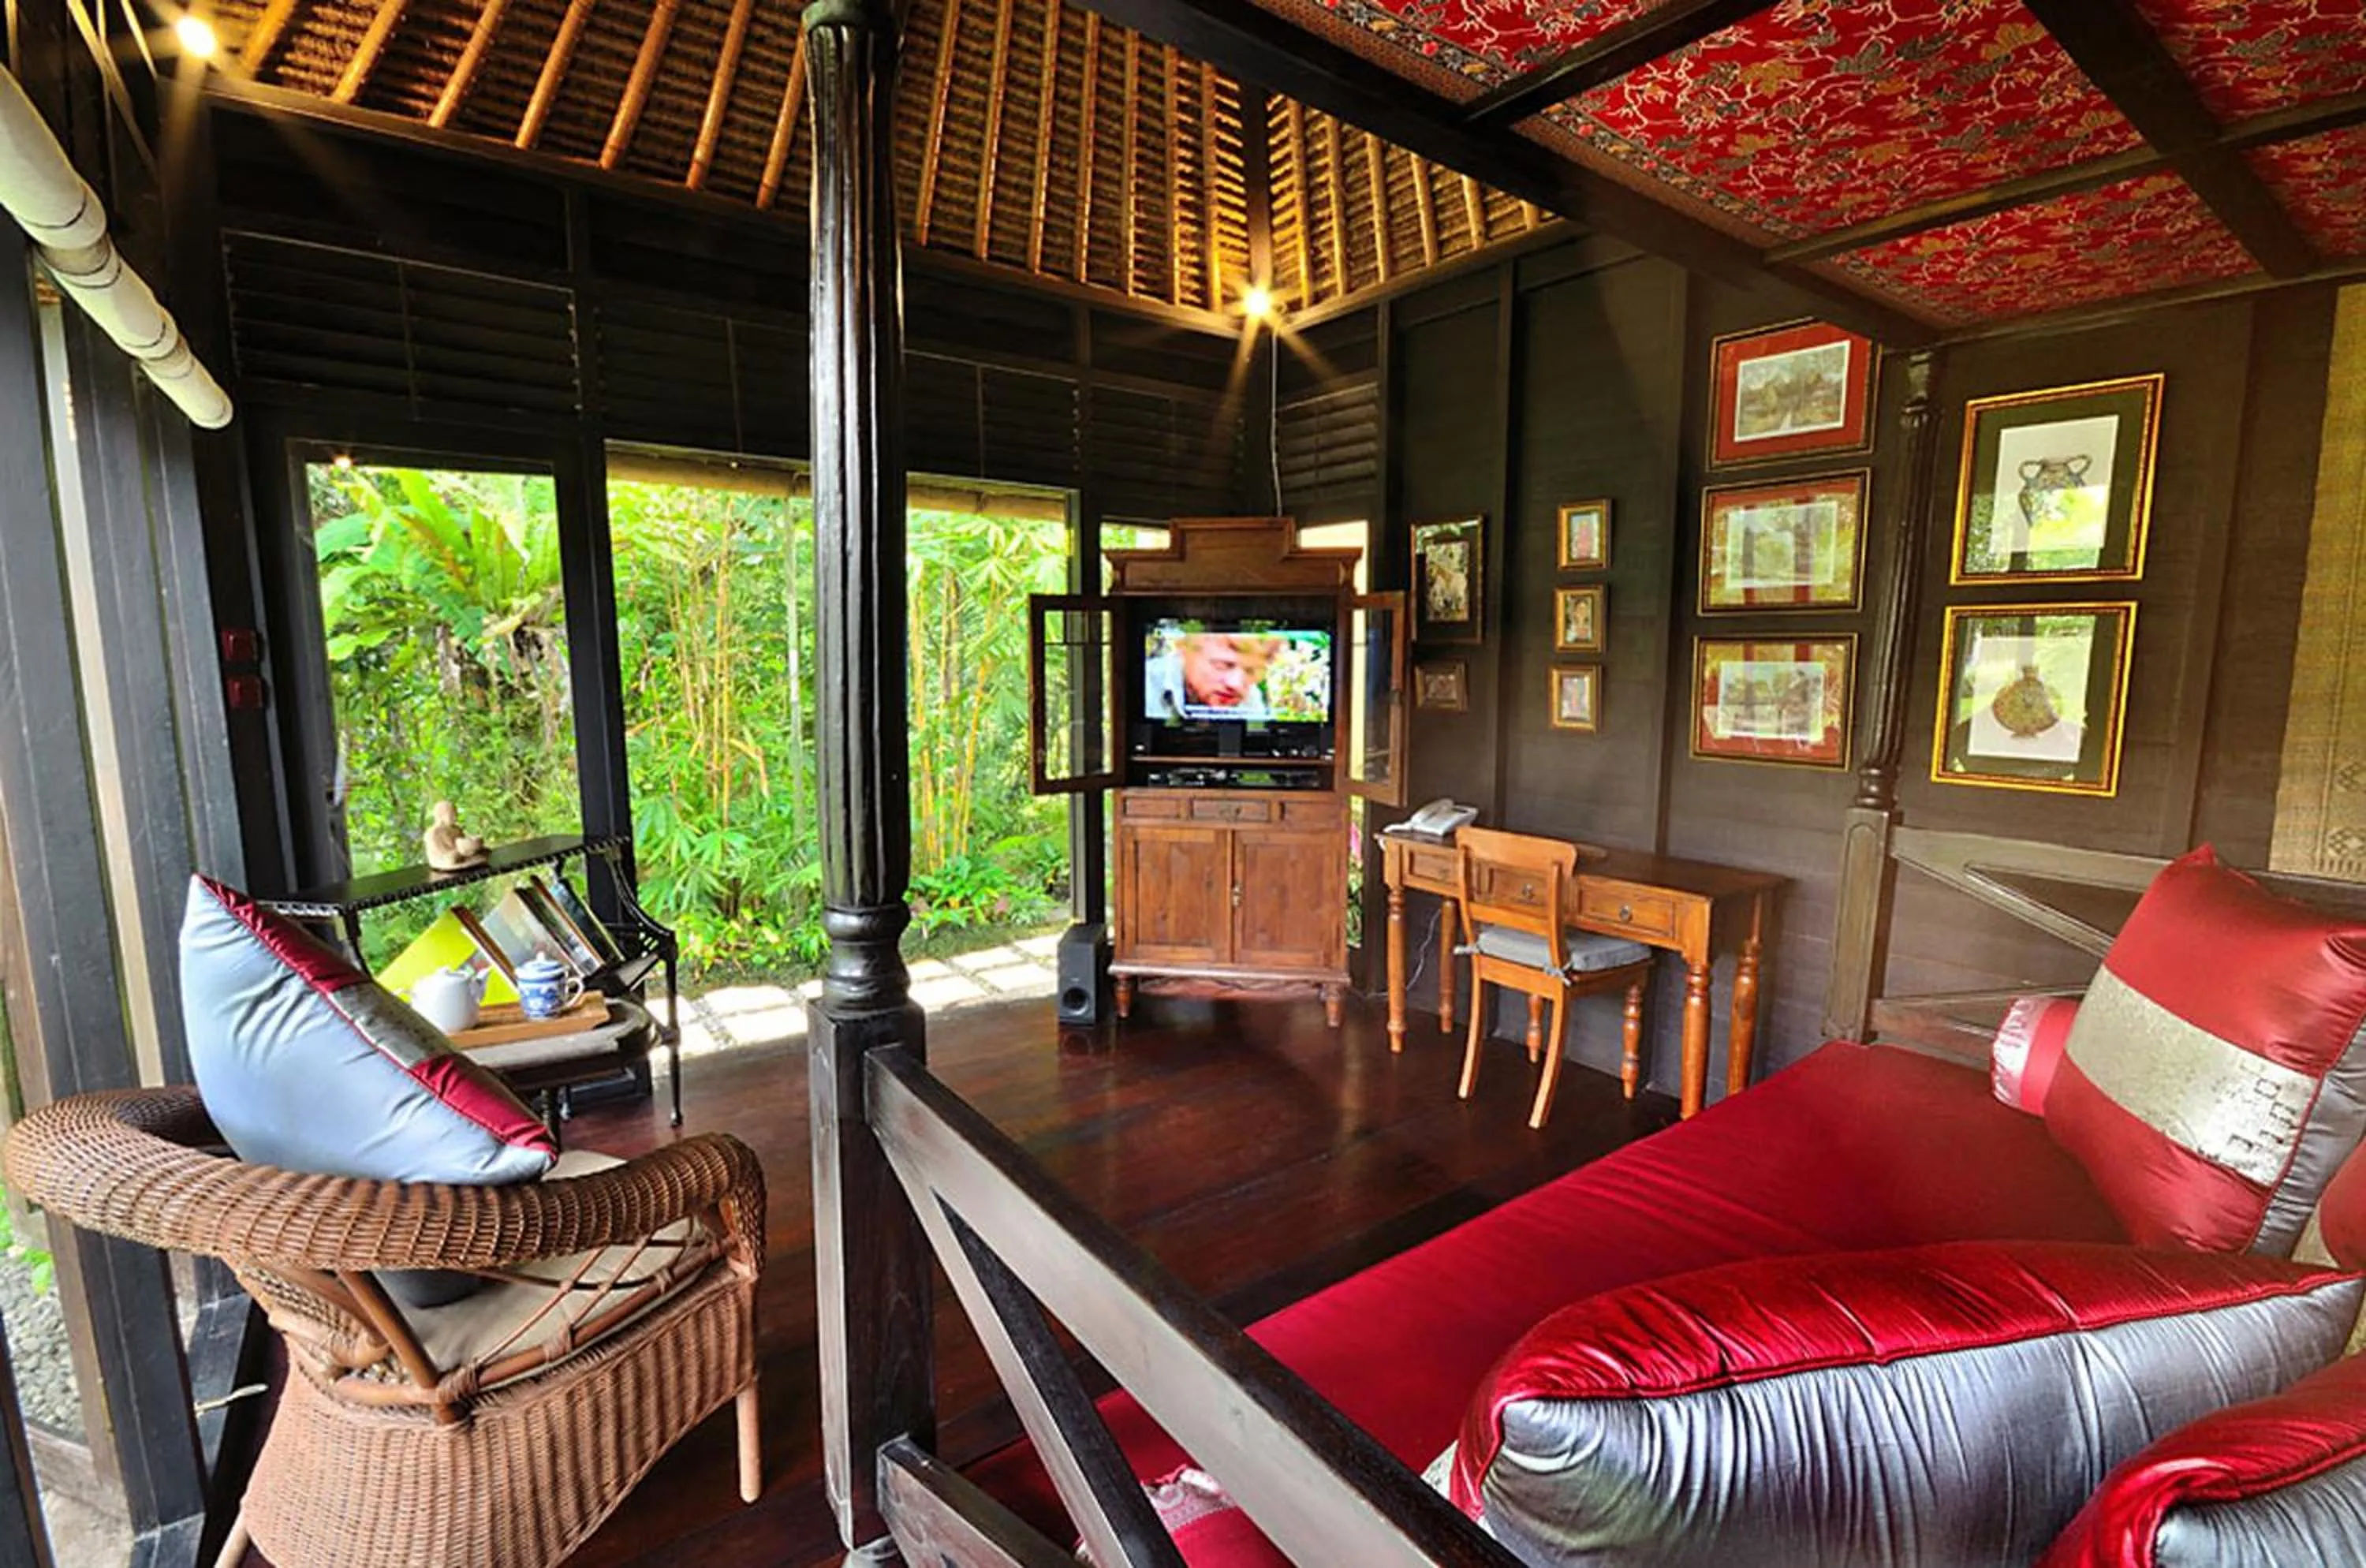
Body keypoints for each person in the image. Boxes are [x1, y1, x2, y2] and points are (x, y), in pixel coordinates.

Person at [1146, 632, 1277, 719]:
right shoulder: (1145, 684)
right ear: (1186, 653)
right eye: (1223, 665)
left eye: (1250, 671)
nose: (1235, 684)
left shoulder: (1251, 697)